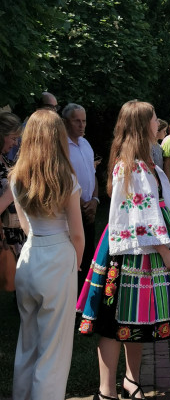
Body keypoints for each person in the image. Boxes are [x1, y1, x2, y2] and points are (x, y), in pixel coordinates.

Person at [77, 101, 170, 400]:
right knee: (114, 322)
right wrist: (165, 250)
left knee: (136, 320)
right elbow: (137, 216)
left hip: (145, 248)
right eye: (155, 119)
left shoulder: (146, 165)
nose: (159, 123)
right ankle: (105, 393)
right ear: (143, 125)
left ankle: (130, 380)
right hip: (130, 251)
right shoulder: (131, 167)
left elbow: (159, 208)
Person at [4, 110, 84, 400]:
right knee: (53, 352)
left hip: (30, 256)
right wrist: (74, 270)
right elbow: (78, 235)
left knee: (28, 347)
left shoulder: (18, 174)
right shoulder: (65, 176)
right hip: (57, 258)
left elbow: (23, 226)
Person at [62, 104, 100, 293]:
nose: (81, 125)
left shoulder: (86, 144)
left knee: (88, 259)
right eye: (76, 120)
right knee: (72, 259)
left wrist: (95, 200)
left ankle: (84, 300)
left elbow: (92, 175)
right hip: (70, 213)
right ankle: (72, 300)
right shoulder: (61, 148)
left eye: (84, 120)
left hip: (89, 210)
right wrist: (79, 204)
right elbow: (61, 182)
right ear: (65, 122)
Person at [0, 113, 23, 257]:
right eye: (13, 138)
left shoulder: (7, 162)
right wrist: (9, 196)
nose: (15, 143)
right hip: (3, 240)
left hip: (16, 236)